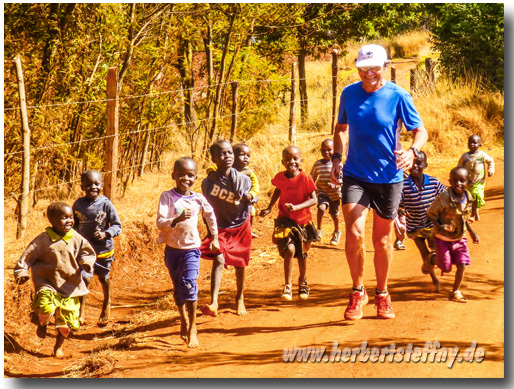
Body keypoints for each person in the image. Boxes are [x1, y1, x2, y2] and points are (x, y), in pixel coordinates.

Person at [330, 44, 428, 320]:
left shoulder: (398, 95)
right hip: (355, 173)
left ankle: (382, 294)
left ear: (385, 67)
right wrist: (337, 157)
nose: (368, 73)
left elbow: (420, 131)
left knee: (382, 239)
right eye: (363, 68)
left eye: (374, 67)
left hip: (388, 176)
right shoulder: (349, 94)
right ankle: (357, 291)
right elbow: (341, 128)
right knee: (355, 233)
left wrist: (412, 151)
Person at [14, 202, 96, 358]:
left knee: (66, 323)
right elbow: (27, 257)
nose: (69, 221)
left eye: (71, 217)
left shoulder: (77, 238)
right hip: (47, 282)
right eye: (64, 218)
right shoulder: (42, 240)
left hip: (70, 285)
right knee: (45, 306)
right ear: (51, 219)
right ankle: (42, 321)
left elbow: (88, 253)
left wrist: (86, 263)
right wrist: (21, 272)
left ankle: (58, 348)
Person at [156, 157, 219, 348]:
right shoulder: (167, 197)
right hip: (172, 251)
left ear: (196, 177)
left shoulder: (198, 198)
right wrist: (175, 220)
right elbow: (160, 223)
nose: (186, 178)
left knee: (190, 286)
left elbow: (210, 215)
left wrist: (214, 236)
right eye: (181, 174)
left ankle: (193, 328)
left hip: (191, 249)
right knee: (178, 290)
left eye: (190, 175)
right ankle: (182, 317)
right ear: (173, 175)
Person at [200, 140, 253, 317]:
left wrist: (250, 197)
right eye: (222, 154)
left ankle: (240, 297)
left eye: (230, 152)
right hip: (221, 226)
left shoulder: (244, 180)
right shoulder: (208, 183)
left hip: (240, 224)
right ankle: (214, 301)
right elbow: (206, 208)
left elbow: (252, 197)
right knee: (219, 259)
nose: (227, 156)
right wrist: (211, 232)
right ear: (213, 158)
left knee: (240, 264)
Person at [260, 146, 318, 301]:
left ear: (301, 161)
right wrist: (269, 207)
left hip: (303, 221)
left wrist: (297, 207)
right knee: (289, 250)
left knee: (302, 254)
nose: (292, 162)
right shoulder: (280, 177)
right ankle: (288, 285)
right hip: (285, 219)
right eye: (288, 159)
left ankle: (303, 282)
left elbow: (314, 199)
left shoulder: (305, 177)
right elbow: (278, 190)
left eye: (295, 159)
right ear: (282, 162)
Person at [73, 169, 122, 326]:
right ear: (82, 187)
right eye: (88, 185)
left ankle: (106, 303)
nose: (92, 187)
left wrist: (106, 233)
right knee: (85, 278)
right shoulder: (78, 204)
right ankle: (81, 313)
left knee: (104, 278)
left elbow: (117, 226)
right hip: (85, 250)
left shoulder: (106, 204)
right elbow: (73, 225)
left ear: (101, 185)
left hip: (103, 251)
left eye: (96, 184)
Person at [427, 166, 480, 302]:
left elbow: (462, 217)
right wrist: (440, 226)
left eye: (462, 181)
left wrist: (472, 232)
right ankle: (432, 259)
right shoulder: (443, 198)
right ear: (450, 181)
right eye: (455, 181)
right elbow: (431, 214)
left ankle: (455, 292)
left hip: (459, 238)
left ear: (468, 182)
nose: (458, 184)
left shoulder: (468, 197)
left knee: (462, 264)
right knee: (446, 267)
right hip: (442, 238)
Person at [399, 151, 446, 291]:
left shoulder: (433, 182)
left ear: (426, 165)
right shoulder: (403, 186)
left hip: (432, 225)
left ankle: (430, 265)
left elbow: (446, 195)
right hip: (414, 227)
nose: (414, 166)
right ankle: (434, 279)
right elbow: (397, 203)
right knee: (424, 253)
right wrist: (399, 210)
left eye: (418, 163)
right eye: (412, 163)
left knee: (434, 251)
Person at [310, 139, 342, 245]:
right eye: (323, 150)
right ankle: (319, 230)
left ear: (335, 150)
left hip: (335, 194)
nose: (326, 153)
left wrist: (335, 185)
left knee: (334, 214)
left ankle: (336, 232)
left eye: (329, 150)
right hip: (322, 191)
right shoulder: (318, 164)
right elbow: (312, 177)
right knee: (321, 208)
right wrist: (311, 188)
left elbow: (343, 180)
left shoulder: (338, 165)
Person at [458, 134, 495, 221]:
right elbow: (459, 166)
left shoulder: (482, 155)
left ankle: (473, 215)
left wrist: (490, 170)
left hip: (479, 181)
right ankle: (475, 213)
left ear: (479, 145)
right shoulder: (465, 156)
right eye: (470, 143)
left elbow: (490, 161)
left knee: (476, 195)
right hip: (467, 182)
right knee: (469, 197)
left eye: (475, 143)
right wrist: (458, 176)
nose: (472, 145)